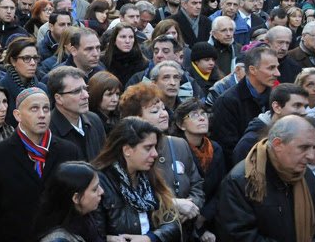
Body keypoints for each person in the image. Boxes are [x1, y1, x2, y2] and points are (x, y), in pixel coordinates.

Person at [0, 87, 82, 242]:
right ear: (17, 115)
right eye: (34, 109)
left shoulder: (69, 151)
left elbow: (78, 202)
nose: (42, 115)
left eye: (46, 109)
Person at [119, 83, 205, 239]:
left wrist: (191, 206)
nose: (164, 114)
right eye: (154, 111)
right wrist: (173, 205)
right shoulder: (127, 151)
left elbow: (197, 184)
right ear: (136, 118)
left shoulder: (179, 144)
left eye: (164, 109)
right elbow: (130, 195)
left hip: (183, 231)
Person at [217, 115, 315, 240]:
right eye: (304, 147)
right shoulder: (241, 180)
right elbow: (239, 235)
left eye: (313, 147)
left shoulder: (305, 175)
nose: (311, 156)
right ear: (278, 144)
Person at [91, 117, 181, 241]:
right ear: (127, 150)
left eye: (155, 147)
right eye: (148, 148)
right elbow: (91, 233)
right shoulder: (99, 182)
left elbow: (172, 222)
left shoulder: (150, 176)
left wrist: (150, 238)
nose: (155, 154)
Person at [211, 47, 281, 164]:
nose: (277, 73)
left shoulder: (275, 99)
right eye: (271, 68)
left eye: (277, 67)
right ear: (253, 70)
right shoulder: (227, 102)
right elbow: (228, 150)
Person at [173, 99, 226, 241]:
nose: (202, 118)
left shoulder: (216, 149)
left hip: (210, 218)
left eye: (204, 113)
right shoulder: (174, 149)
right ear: (180, 124)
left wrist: (204, 216)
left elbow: (221, 187)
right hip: (182, 218)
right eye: (194, 115)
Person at [232, 83, 309, 165]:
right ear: (277, 107)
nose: (304, 112)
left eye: (305, 106)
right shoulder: (250, 142)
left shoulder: (303, 135)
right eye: (297, 105)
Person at [31, 161, 105, 242]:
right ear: (76, 198)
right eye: (94, 189)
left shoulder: (86, 220)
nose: (101, 191)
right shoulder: (58, 239)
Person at [47, 66, 107, 161]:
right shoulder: (47, 131)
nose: (86, 95)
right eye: (77, 91)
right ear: (58, 98)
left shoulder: (94, 120)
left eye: (85, 89)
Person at [0, 37, 46, 124]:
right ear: (13, 61)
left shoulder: (43, 89)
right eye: (26, 58)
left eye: (35, 58)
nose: (33, 63)